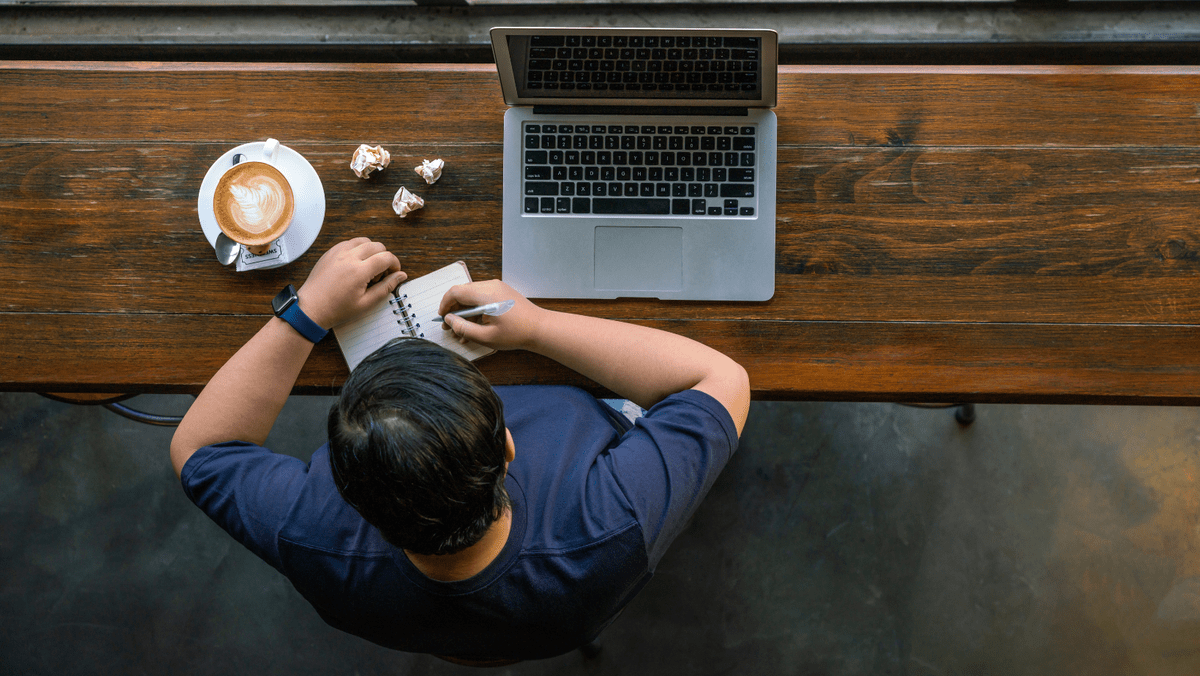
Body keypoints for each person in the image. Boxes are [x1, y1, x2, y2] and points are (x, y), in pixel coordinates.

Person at [170, 238, 749, 661]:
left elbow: (201, 449)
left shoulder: (314, 537)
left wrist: (308, 313)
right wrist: (537, 328)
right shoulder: (610, 525)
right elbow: (722, 380)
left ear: (348, 490)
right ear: (508, 447)